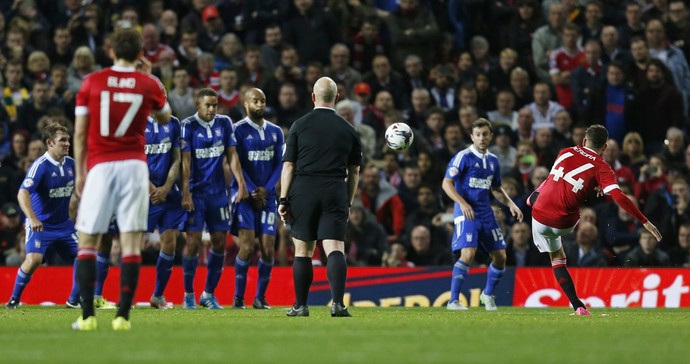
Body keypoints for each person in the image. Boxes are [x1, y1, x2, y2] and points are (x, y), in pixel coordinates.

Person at [72, 29, 172, 331]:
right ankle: (122, 318)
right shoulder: (147, 84)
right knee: (130, 243)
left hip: (101, 166)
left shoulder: (92, 81)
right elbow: (165, 117)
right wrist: (151, 78)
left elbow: (79, 132)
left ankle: (87, 316)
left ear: (111, 50)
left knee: (88, 241)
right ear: (141, 53)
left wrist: (80, 172)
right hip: (133, 166)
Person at [528, 124, 662, 316]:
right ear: (605, 148)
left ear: (584, 141)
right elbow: (618, 197)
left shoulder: (565, 151)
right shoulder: (603, 167)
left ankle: (532, 197)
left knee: (556, 258)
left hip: (539, 216)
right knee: (575, 215)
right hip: (565, 223)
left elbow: (559, 179)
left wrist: (593, 183)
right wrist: (644, 221)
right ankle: (580, 308)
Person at [279, 77, 362, 317]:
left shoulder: (299, 125)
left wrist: (284, 200)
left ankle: (301, 306)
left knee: (303, 250)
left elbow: (288, 166)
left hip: (304, 189)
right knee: (335, 247)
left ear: (313, 97)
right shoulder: (349, 130)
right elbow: (354, 171)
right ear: (336, 98)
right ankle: (337, 304)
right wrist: (346, 202)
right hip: (335, 189)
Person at [442, 118, 524, 311]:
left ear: (491, 136)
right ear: (472, 136)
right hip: (466, 213)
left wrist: (510, 204)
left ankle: (487, 295)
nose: (481, 138)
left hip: (486, 213)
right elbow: (447, 183)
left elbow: (495, 188)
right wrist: (462, 203)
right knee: (468, 253)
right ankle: (453, 300)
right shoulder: (463, 157)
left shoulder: (493, 161)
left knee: (500, 257)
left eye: (485, 134)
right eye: (477, 134)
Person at [180, 88, 248, 310]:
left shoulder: (225, 123)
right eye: (207, 105)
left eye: (215, 105)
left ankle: (208, 294)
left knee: (220, 242)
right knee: (192, 243)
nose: (211, 109)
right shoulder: (188, 126)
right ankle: (188, 294)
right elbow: (186, 162)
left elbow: (232, 156)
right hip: (196, 194)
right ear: (197, 104)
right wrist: (186, 193)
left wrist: (241, 184)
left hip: (219, 194)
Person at [5, 124, 80, 309]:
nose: (67, 143)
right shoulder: (40, 166)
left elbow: (79, 191)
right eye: (62, 140)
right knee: (34, 260)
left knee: (86, 257)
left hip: (63, 225)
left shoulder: (72, 164)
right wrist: (32, 218)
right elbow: (22, 193)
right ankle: (14, 300)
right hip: (40, 224)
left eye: (68, 139)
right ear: (49, 142)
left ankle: (74, 300)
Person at [230, 88, 284, 310]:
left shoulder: (276, 131)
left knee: (268, 248)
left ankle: (260, 298)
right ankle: (238, 297)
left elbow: (280, 164)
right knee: (247, 247)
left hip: (268, 198)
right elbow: (236, 164)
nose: (260, 105)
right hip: (244, 196)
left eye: (263, 100)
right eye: (256, 101)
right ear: (246, 104)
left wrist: (267, 189)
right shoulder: (237, 130)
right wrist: (252, 190)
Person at [145, 114, 185, 310]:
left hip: (168, 193)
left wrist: (167, 188)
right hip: (142, 192)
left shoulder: (173, 122)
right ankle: (123, 294)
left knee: (170, 242)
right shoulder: (136, 122)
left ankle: (157, 296)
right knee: (131, 243)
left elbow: (177, 159)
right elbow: (135, 160)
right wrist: (153, 189)